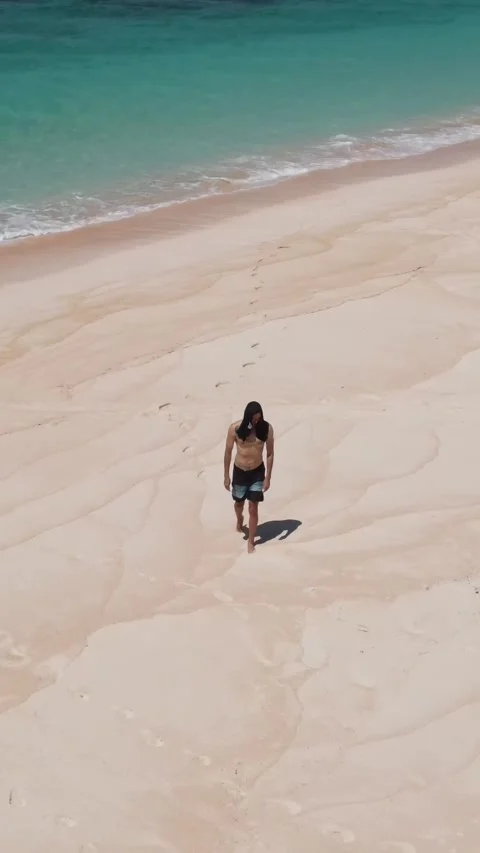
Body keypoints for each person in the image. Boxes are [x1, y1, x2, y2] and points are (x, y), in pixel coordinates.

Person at [223, 401, 274, 553]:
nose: (255, 421)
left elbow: (270, 453)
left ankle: (251, 541)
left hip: (257, 472)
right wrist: (226, 476)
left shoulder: (266, 429)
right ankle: (239, 519)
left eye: (258, 418)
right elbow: (227, 452)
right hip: (240, 471)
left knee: (253, 508)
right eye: (253, 419)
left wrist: (268, 477)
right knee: (239, 503)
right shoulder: (235, 429)